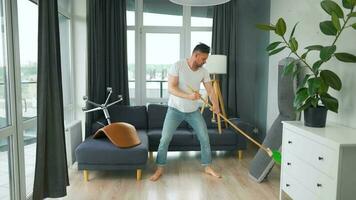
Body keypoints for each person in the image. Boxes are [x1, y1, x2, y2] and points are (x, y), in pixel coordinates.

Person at [150, 43, 222, 181]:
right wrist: (188, 96)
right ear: (196, 55)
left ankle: (207, 166)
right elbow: (171, 88)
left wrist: (216, 106)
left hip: (193, 111)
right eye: (203, 59)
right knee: (164, 139)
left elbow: (211, 91)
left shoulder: (203, 72)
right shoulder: (178, 65)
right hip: (174, 109)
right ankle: (160, 168)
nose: (205, 62)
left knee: (204, 137)